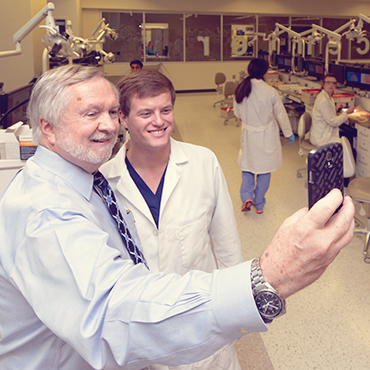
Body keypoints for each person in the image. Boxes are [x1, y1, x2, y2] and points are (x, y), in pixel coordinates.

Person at [0, 65, 355, 370]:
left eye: (110, 112)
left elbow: (226, 244)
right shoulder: (48, 209)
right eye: (91, 114)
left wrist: (236, 323)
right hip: (139, 337)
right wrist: (270, 276)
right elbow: (113, 314)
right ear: (47, 128)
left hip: (189, 328)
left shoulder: (90, 183)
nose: (107, 125)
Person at [101, 70, 244, 370]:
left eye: (166, 110)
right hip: (140, 335)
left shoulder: (203, 162)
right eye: (146, 113)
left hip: (202, 327)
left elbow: (227, 243)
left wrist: (235, 311)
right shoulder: (104, 183)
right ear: (123, 119)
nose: (159, 121)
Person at [233, 58, 295, 214]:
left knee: (247, 167)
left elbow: (237, 113)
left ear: (249, 71)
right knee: (264, 169)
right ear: (266, 73)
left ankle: (246, 197)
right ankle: (259, 202)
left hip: (248, 135)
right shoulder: (270, 92)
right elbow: (281, 115)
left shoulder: (241, 89)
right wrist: (288, 133)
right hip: (266, 136)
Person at [309, 73, 355, 147]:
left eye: (334, 83)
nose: (331, 85)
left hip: (323, 133)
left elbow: (326, 113)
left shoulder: (326, 96)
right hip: (322, 138)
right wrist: (346, 113)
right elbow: (333, 122)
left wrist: (335, 108)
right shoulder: (324, 100)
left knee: (348, 137)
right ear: (323, 84)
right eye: (328, 82)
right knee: (348, 147)